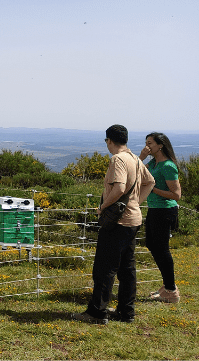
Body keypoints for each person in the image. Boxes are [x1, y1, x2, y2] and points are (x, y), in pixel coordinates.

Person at [73, 125, 154, 324]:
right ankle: (126, 312)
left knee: (104, 268)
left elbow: (119, 188)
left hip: (118, 221)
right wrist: (136, 203)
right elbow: (150, 182)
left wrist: (103, 207)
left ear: (109, 140)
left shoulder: (117, 159)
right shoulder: (135, 159)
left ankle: (97, 313)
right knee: (127, 269)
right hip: (133, 220)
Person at [140, 132, 182, 303]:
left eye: (150, 143)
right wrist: (141, 157)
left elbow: (176, 195)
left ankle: (171, 291)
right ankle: (167, 286)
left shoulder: (168, 166)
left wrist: (153, 189)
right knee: (151, 244)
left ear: (160, 145)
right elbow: (137, 172)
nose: (147, 146)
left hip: (165, 211)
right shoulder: (153, 163)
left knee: (162, 249)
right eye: (146, 143)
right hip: (154, 209)